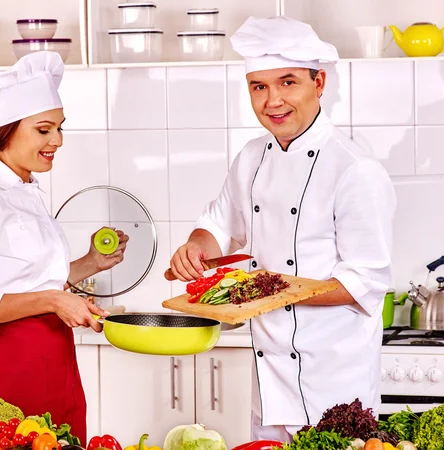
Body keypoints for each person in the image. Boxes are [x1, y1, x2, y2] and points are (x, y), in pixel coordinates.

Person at [169, 16, 396, 442]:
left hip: (333, 385)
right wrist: (195, 247)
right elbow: (218, 224)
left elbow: (366, 280)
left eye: (287, 82)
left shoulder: (355, 170)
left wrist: (273, 290)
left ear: (319, 83)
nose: (272, 100)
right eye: (259, 86)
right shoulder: (252, 158)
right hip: (270, 380)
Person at [0, 51, 128, 444]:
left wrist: (91, 263)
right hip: (9, 371)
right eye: (44, 130)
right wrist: (55, 301)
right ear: (7, 131)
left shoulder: (27, 190)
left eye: (59, 128)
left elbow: (32, 278)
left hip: (55, 359)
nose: (57, 141)